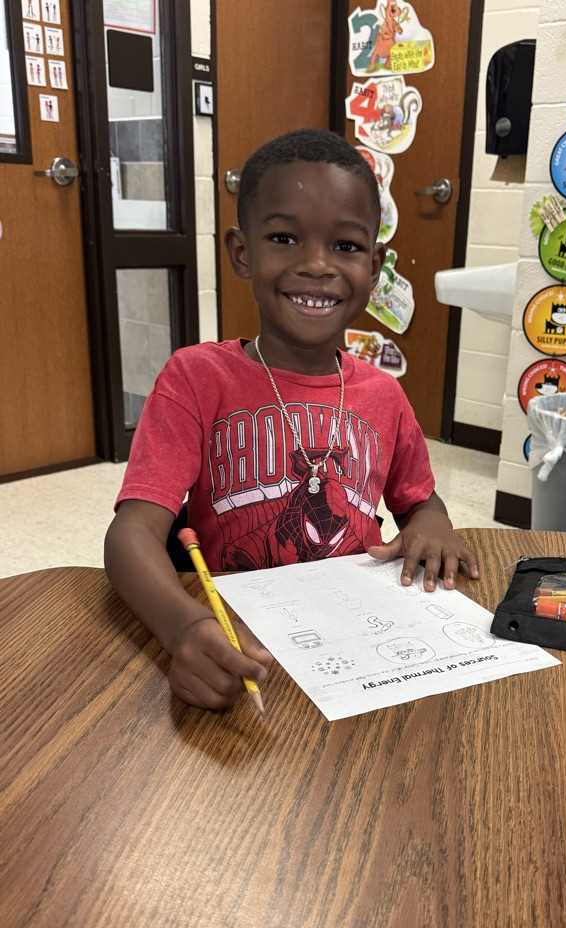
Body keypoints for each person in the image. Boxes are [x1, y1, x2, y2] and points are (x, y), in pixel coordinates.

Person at [105, 128, 479, 711]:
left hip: (364, 651)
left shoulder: (384, 395)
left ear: (375, 266)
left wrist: (433, 522)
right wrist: (182, 628)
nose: (316, 266)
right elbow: (131, 534)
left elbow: (418, 502)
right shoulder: (195, 379)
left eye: (347, 247)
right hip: (242, 650)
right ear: (241, 251)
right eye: (284, 238)